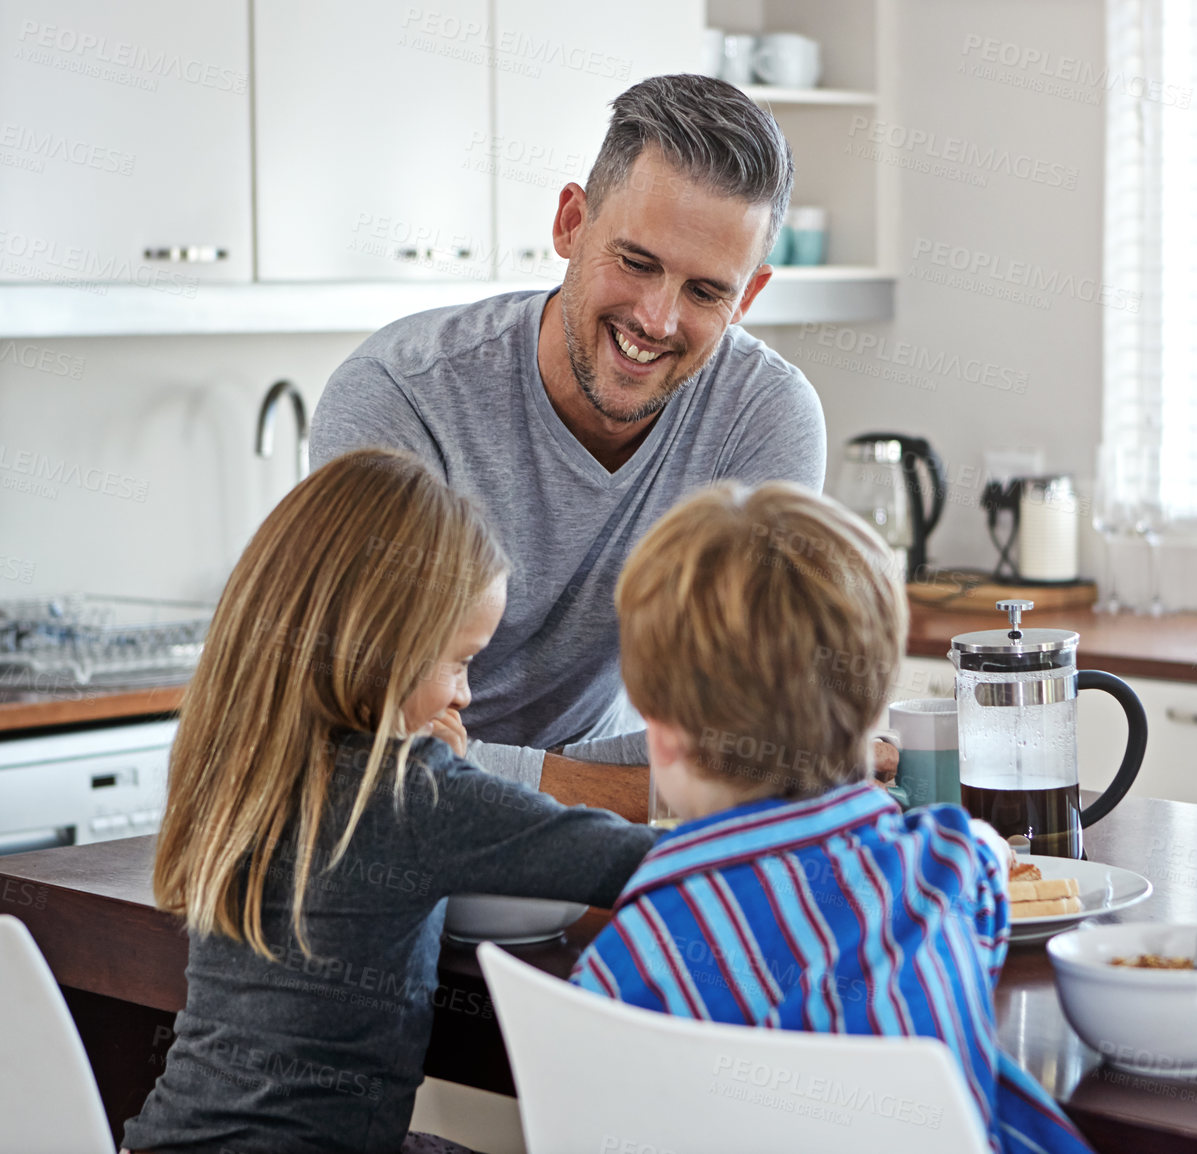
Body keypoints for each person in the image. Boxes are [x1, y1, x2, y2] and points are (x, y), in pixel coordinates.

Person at [122, 449, 656, 1154]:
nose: (465, 695)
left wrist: (453, 785)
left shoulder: (237, 758)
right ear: (379, 648)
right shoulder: (412, 789)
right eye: (460, 661)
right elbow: (632, 861)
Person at [309, 74, 824, 794]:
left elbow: (746, 736)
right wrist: (645, 796)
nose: (656, 319)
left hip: (599, 845)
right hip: (384, 848)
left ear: (750, 296)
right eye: (636, 262)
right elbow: (374, 749)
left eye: (706, 291)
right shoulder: (399, 395)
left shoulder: (763, 415)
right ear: (571, 223)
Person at [569, 482, 1096, 1154]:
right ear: (872, 704)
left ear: (661, 734)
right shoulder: (944, 867)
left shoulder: (629, 962)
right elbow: (989, 858)